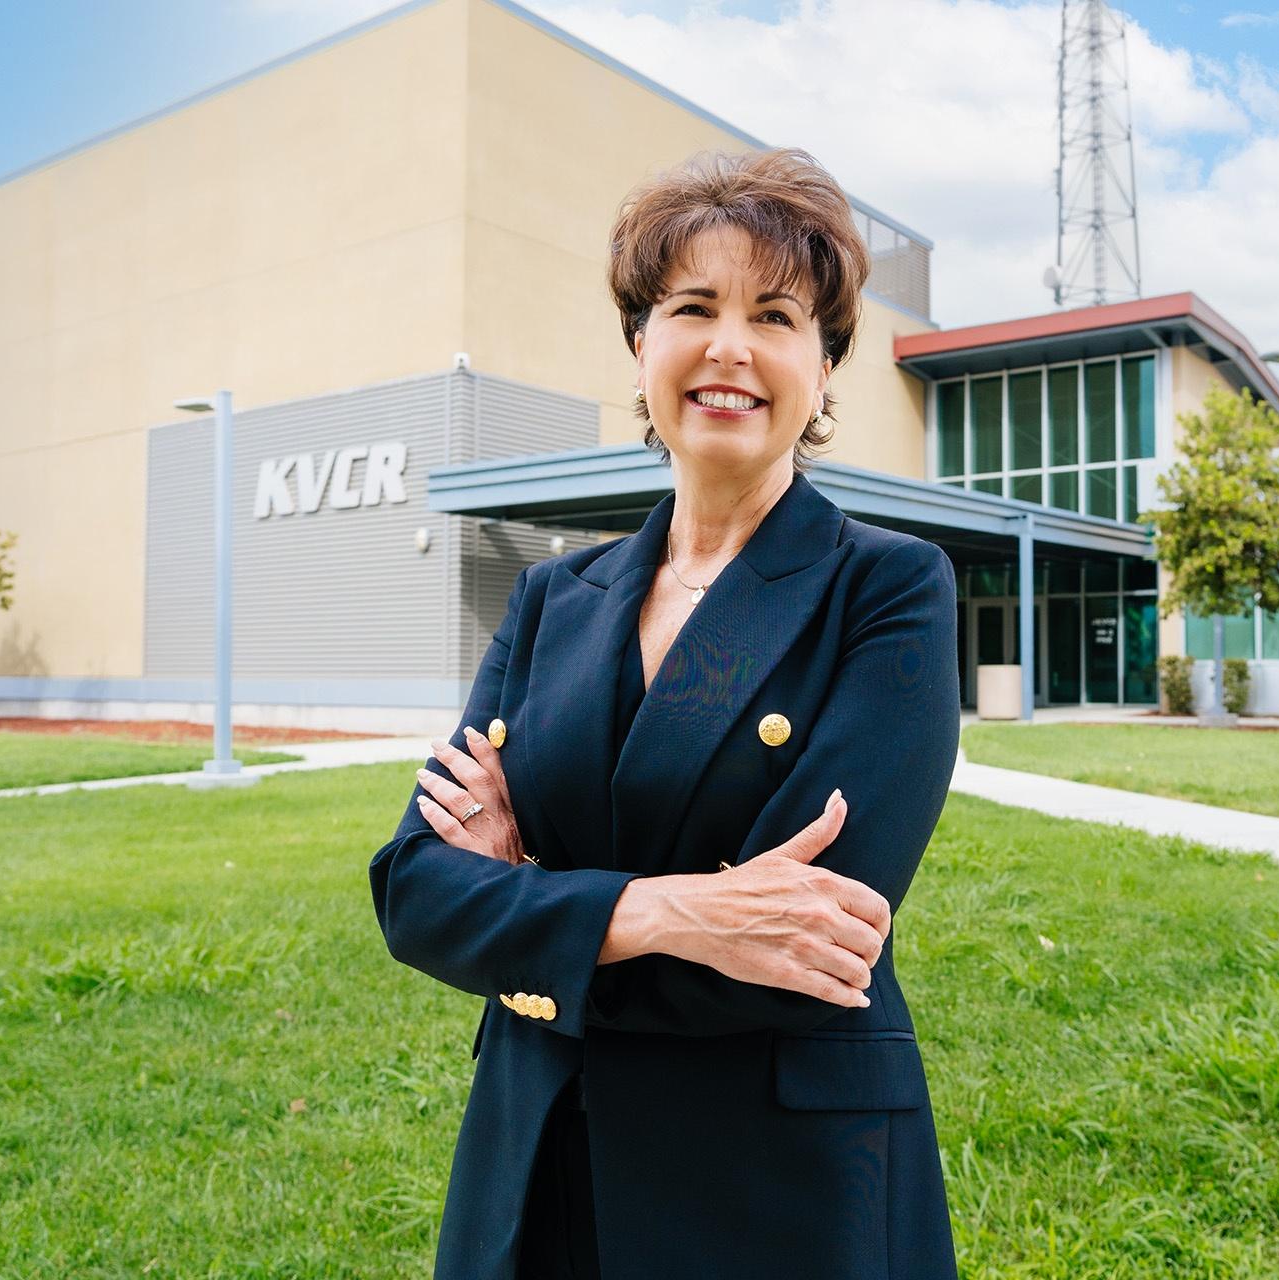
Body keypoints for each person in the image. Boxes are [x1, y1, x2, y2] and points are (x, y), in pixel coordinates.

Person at [369, 147, 961, 1280]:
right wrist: (680, 908)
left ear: (826, 367)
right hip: (539, 1153)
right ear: (641, 346)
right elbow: (417, 890)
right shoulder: (554, 597)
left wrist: (532, 895)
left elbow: (813, 933)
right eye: (693, 306)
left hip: (775, 1183)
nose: (729, 346)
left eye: (776, 315)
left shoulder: (887, 588)